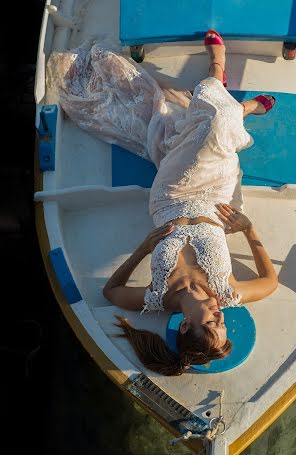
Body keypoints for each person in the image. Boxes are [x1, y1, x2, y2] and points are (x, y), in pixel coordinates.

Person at [103, 29, 278, 376]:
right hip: (216, 196)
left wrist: (142, 249)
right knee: (216, 131)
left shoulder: (156, 299)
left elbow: (111, 292)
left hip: (170, 196)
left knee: (213, 124)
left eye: (212, 325)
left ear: (184, 326)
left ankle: (220, 73)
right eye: (223, 324)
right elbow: (270, 283)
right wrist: (248, 230)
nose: (220, 316)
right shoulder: (226, 293)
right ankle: (236, 104)